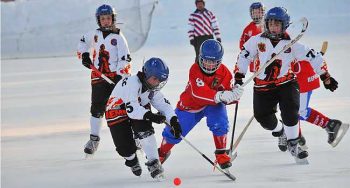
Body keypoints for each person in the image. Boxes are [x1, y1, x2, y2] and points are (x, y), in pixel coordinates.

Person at [234, 7, 340, 161]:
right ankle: (281, 130)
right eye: (270, 23)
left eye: (277, 24)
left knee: (291, 112)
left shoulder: (293, 44)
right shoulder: (257, 40)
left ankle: (294, 144)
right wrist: (239, 76)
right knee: (263, 119)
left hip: (286, 83)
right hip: (263, 87)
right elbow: (244, 56)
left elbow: (315, 57)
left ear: (284, 25)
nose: (273, 27)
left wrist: (325, 76)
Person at [158, 39, 244, 170]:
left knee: (220, 121)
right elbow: (198, 93)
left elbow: (227, 97)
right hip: (191, 106)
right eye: (206, 61)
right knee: (174, 130)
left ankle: (221, 153)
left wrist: (234, 94)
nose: (209, 65)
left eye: (213, 62)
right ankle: (162, 153)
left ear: (219, 61)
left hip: (213, 104)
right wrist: (220, 96)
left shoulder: (225, 73)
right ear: (200, 58)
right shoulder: (195, 69)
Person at [105, 58, 182, 180]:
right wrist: (152, 116)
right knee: (125, 149)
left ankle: (154, 162)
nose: (157, 83)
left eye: (160, 80)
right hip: (116, 109)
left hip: (138, 107)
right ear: (146, 74)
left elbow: (164, 105)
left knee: (145, 129)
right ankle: (131, 159)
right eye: (155, 79)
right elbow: (133, 110)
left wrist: (174, 121)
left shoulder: (152, 88)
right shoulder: (133, 83)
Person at [77, 4, 132, 156]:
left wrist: (121, 75)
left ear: (113, 19)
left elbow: (125, 58)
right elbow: (82, 42)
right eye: (103, 19)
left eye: (108, 18)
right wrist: (85, 56)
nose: (106, 21)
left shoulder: (118, 37)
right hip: (98, 77)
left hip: (114, 78)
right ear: (98, 20)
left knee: (123, 108)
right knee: (96, 108)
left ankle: (134, 136)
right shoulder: (94, 34)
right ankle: (94, 139)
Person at [239, 2, 265, 72]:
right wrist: (245, 51)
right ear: (251, 14)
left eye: (258, 12)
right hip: (254, 58)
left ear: (262, 12)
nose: (256, 14)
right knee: (257, 75)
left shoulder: (268, 25)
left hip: (266, 55)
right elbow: (242, 42)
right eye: (254, 13)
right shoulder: (248, 29)